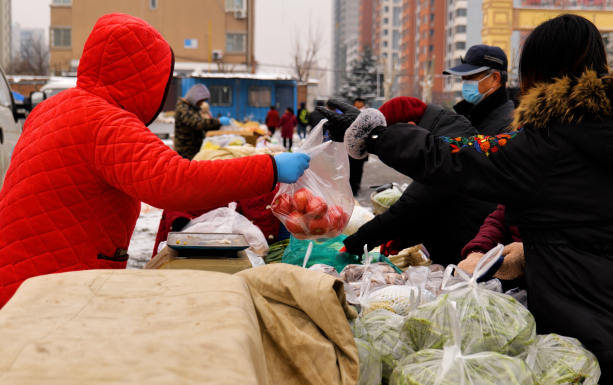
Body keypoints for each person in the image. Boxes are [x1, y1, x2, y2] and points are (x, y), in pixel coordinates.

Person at [320, 14, 613, 384]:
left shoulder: (544, 142)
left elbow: (453, 157)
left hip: (583, 347)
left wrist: (378, 136)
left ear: (539, 72)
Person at [0, 13, 310, 309]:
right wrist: (270, 168)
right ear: (149, 79)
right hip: (56, 286)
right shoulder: (106, 123)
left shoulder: (53, 108)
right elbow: (175, 181)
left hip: (18, 274)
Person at [342, 97, 496, 265]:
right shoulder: (444, 132)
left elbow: (411, 205)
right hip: (463, 238)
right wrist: (405, 238)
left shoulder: (448, 144)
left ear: (410, 127)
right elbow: (440, 207)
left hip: (475, 249)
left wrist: (354, 244)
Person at [443, 44, 515, 136]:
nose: (465, 83)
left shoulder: (508, 127)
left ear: (495, 79)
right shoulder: (471, 116)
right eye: (463, 78)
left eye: (471, 77)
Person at [174, 84, 223, 160]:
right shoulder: (183, 109)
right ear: (195, 98)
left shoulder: (192, 109)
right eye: (201, 101)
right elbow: (197, 123)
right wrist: (217, 122)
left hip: (193, 150)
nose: (201, 104)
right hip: (186, 152)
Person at [349, 98, 368, 196]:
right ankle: (353, 187)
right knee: (352, 168)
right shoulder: (349, 115)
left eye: (361, 107)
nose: (359, 109)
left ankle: (356, 186)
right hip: (351, 147)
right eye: (357, 106)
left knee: (359, 168)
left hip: (362, 148)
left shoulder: (368, 116)